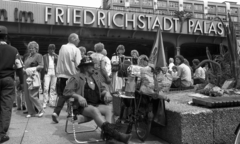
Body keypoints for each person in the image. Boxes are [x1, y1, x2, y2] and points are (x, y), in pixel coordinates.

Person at [63, 56, 132, 144]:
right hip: (82, 106)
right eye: (92, 66)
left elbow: (102, 88)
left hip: (96, 103)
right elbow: (66, 92)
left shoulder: (95, 77)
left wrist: (106, 92)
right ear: (85, 67)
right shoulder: (76, 78)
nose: (94, 67)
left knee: (109, 109)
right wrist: (78, 97)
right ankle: (117, 135)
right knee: (94, 110)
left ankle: (110, 139)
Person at [0, 25, 24, 143]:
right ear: (6, 36)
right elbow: (19, 67)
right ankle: (1, 134)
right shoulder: (13, 50)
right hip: (8, 80)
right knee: (5, 106)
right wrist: (22, 83)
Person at [52, 33, 82, 123]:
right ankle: (72, 113)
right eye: (78, 39)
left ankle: (56, 112)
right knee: (73, 95)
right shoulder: (76, 50)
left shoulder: (62, 47)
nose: (79, 41)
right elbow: (79, 64)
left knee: (62, 95)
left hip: (61, 75)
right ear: (73, 39)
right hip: (72, 77)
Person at [23, 41, 44, 118]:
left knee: (32, 95)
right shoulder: (28, 56)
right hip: (26, 76)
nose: (31, 49)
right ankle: (31, 111)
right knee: (27, 95)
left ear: (36, 48)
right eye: (30, 48)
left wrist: (31, 69)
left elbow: (41, 66)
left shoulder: (38, 56)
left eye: (32, 48)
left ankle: (41, 109)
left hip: (33, 76)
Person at [42, 44, 58, 108]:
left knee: (53, 88)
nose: (52, 50)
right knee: (46, 88)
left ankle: (52, 102)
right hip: (47, 72)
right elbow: (43, 65)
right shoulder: (44, 56)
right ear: (48, 50)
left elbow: (58, 64)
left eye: (53, 49)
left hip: (54, 72)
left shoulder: (56, 56)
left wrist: (56, 58)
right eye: (50, 49)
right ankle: (44, 102)